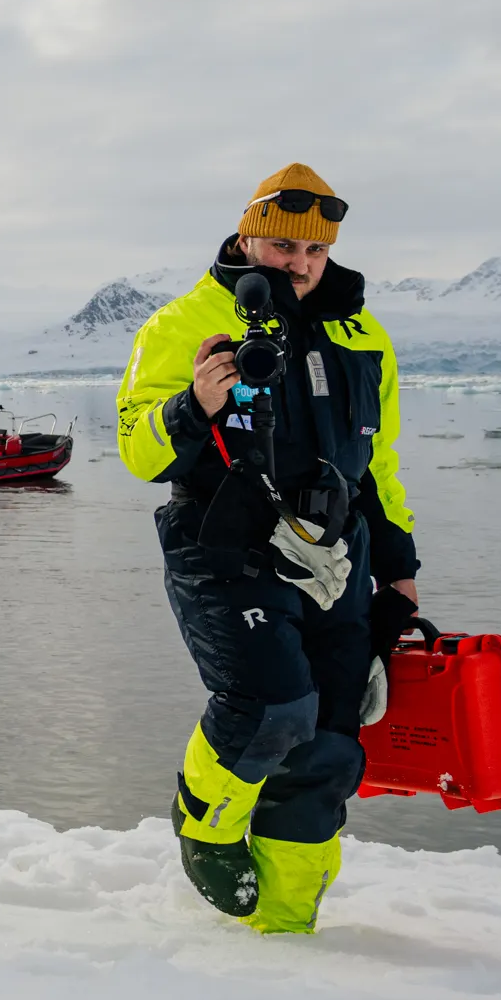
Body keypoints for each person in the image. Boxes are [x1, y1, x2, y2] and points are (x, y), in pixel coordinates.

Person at [115, 162, 419, 935]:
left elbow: (375, 464)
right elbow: (138, 452)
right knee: (270, 710)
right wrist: (195, 404)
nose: (300, 263)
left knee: (329, 744)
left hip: (337, 555)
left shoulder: (362, 331)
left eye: (315, 250)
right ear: (249, 233)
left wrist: (401, 575)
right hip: (225, 543)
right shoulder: (184, 324)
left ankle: (285, 928)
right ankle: (206, 828)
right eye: (283, 245)